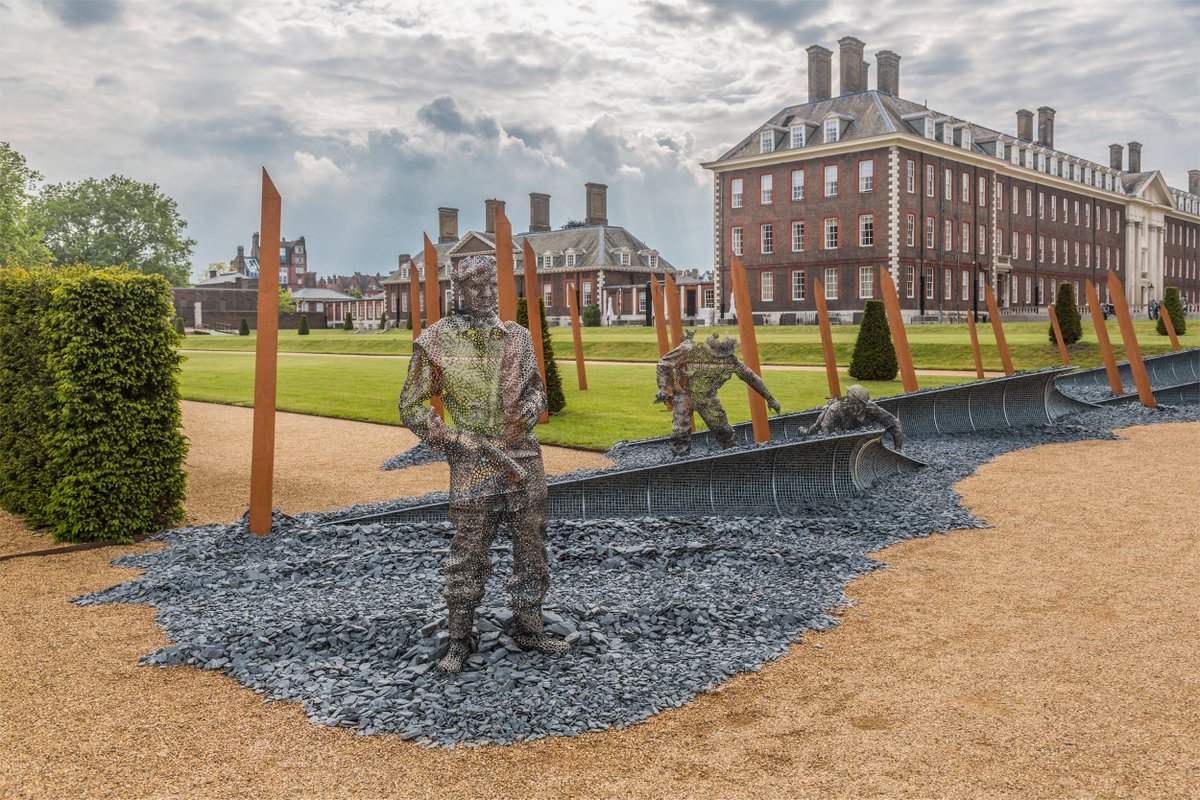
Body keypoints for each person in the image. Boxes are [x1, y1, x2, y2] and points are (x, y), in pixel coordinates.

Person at [398, 255, 569, 673]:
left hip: (523, 456)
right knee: (468, 553)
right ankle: (460, 636)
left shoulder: (517, 337)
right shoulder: (435, 341)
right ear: (458, 289)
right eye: (477, 286)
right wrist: (458, 440)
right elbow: (411, 406)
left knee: (532, 548)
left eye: (493, 285)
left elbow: (537, 393)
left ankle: (528, 627)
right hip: (474, 461)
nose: (488, 294)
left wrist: (528, 411)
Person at [655, 331, 781, 457]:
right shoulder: (688, 349)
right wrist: (662, 387)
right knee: (680, 432)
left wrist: (770, 398)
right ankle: (679, 463)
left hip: (707, 396)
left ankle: (732, 458)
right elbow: (663, 364)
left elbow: (750, 377)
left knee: (724, 431)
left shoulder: (730, 360)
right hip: (684, 394)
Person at [799, 384, 904, 450]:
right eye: (852, 404)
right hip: (839, 432)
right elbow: (825, 433)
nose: (856, 408)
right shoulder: (837, 408)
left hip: (860, 437)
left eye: (860, 404)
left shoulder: (872, 409)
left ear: (865, 404)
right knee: (817, 426)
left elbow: (894, 423)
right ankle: (806, 432)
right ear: (847, 402)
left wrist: (898, 449)